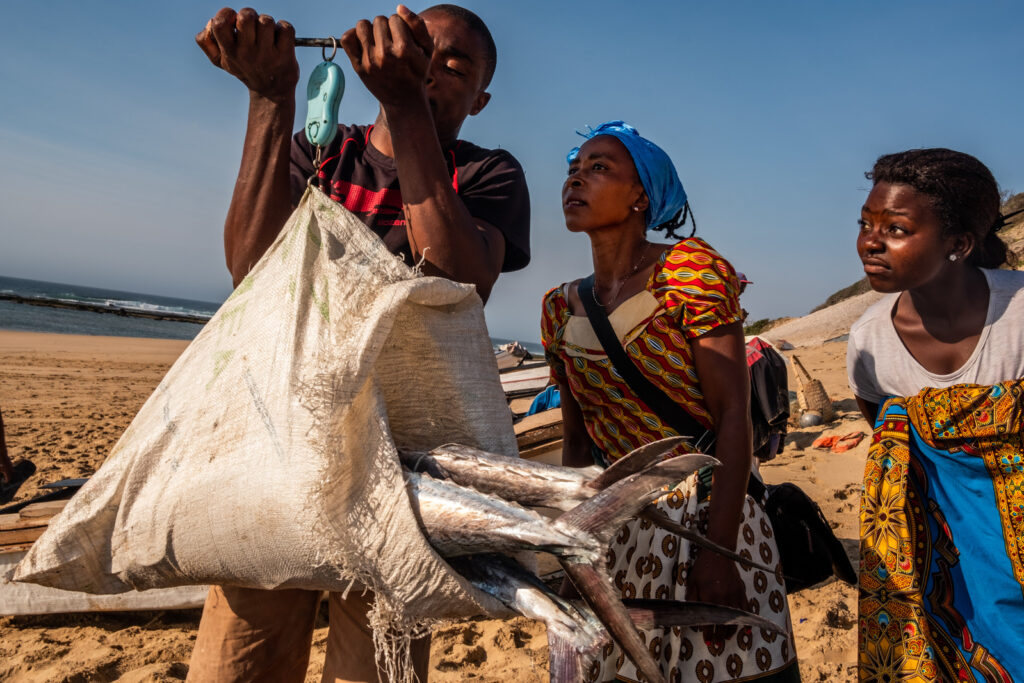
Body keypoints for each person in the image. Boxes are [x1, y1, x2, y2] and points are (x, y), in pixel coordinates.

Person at [188, 5, 530, 682]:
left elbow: (455, 280)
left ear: (481, 99)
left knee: (377, 668)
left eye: (453, 64)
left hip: (404, 477)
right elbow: (250, 272)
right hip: (277, 453)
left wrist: (404, 104)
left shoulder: (488, 175)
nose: (430, 65)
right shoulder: (320, 149)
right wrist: (269, 97)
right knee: (237, 664)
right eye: (421, 49)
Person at [540, 121, 799, 681]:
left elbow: (734, 416)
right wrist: (569, 546)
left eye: (599, 167)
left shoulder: (690, 274)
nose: (576, 179)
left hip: (706, 514)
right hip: (613, 527)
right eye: (572, 169)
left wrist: (720, 550)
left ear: (642, 196)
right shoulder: (559, 307)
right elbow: (577, 440)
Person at [848, 148, 1024, 679]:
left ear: (959, 244)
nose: (870, 242)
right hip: (951, 562)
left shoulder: (1019, 317)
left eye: (896, 228)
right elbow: (891, 438)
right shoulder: (869, 339)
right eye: (865, 223)